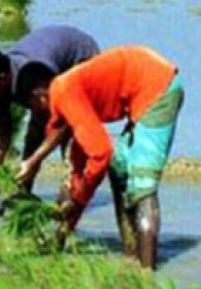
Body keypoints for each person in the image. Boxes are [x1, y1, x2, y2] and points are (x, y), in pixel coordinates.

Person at [14, 46, 184, 270]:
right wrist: (63, 231)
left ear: (39, 96)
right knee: (119, 168)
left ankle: (146, 275)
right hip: (143, 90)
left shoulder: (65, 93)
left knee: (142, 182)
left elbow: (100, 153)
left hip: (158, 89)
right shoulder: (68, 97)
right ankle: (131, 255)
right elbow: (79, 168)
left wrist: (76, 201)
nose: (35, 115)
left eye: (32, 108)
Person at [0, 26, 100, 209]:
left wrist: (35, 159)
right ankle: (24, 193)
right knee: (35, 133)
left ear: (3, 78)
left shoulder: (34, 73)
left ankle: (69, 199)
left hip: (81, 58)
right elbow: (2, 130)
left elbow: (61, 124)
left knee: (70, 138)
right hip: (50, 63)